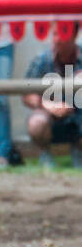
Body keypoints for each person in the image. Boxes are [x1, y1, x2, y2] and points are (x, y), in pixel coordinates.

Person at [23, 20, 82, 168]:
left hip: (79, 117)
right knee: (36, 123)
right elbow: (26, 94)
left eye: (61, 34)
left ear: (74, 35)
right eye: (54, 34)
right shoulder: (43, 59)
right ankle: (46, 153)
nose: (55, 39)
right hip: (51, 119)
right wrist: (47, 105)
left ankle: (79, 151)